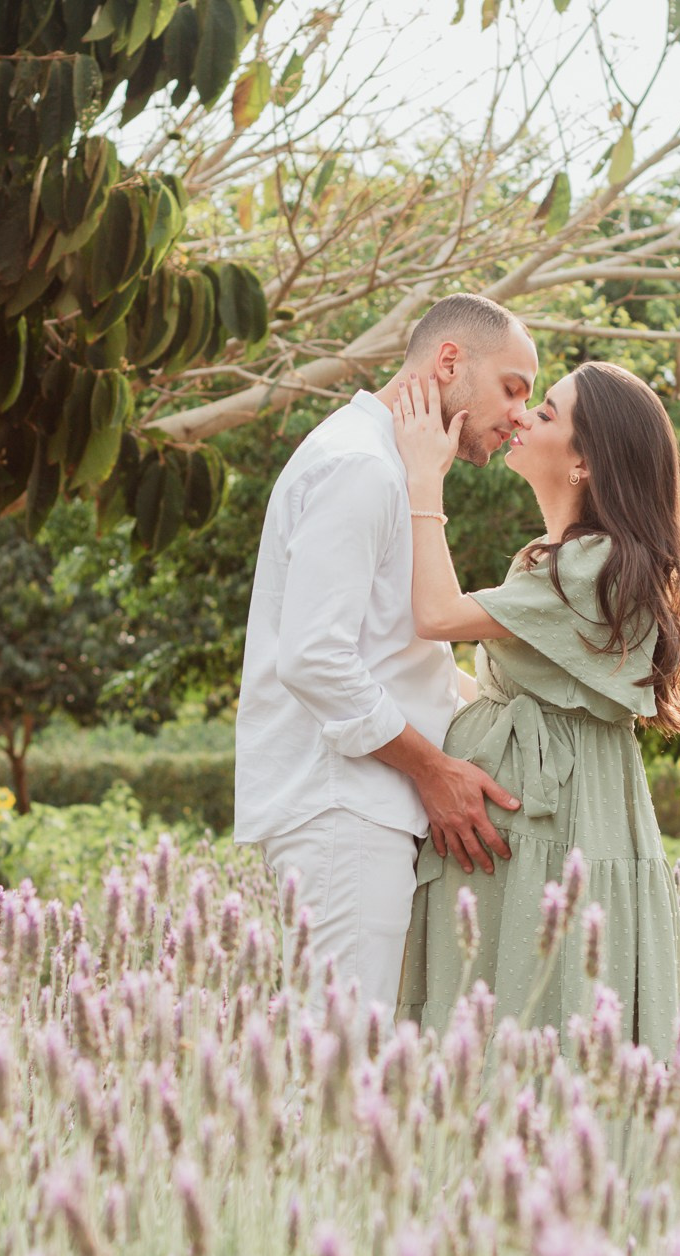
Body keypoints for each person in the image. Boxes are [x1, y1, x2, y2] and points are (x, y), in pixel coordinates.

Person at [235, 294, 539, 1024]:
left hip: (363, 807)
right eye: (513, 387)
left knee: (360, 1070)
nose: (521, 415)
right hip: (343, 809)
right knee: (336, 1069)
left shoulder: (388, 463)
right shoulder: (360, 466)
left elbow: (395, 657)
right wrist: (433, 771)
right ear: (448, 362)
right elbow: (313, 659)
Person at [392, 360, 680, 1052]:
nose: (524, 416)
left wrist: (424, 477)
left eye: (548, 412)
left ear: (585, 463)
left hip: (558, 830)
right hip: (551, 824)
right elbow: (519, 693)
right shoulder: (571, 562)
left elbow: (438, 613)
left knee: (537, 1026)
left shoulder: (590, 564)